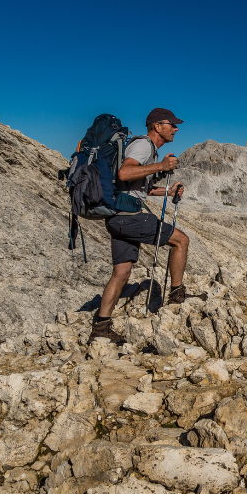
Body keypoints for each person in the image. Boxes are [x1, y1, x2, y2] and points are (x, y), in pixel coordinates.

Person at [91, 107, 191, 343]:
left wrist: (168, 191)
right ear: (158, 126)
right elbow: (125, 173)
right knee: (181, 240)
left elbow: (138, 188)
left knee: (122, 272)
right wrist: (161, 167)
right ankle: (177, 296)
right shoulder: (144, 145)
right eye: (172, 124)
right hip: (129, 217)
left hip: (119, 217)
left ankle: (101, 328)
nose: (176, 128)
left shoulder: (150, 150)